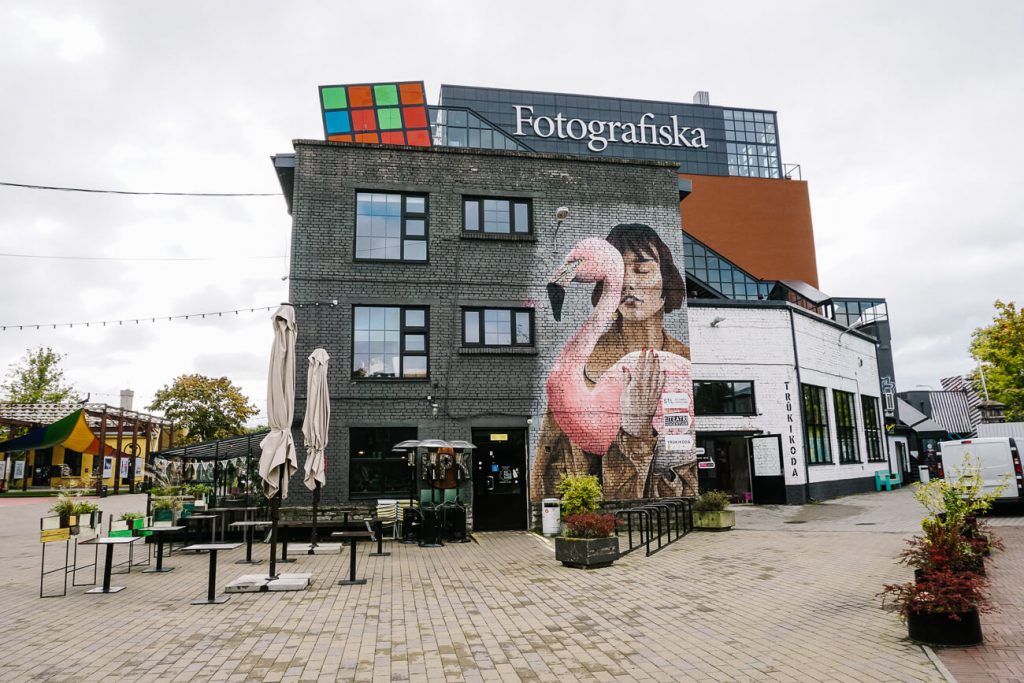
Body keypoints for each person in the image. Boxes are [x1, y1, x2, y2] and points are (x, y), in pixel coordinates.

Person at [532, 223, 694, 501]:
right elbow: (546, 474)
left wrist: (636, 433)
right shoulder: (576, 376)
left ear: (666, 277)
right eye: (619, 271)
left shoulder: (685, 363)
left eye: (642, 267)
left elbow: (686, 487)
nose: (628, 281)